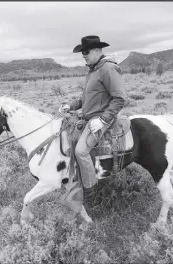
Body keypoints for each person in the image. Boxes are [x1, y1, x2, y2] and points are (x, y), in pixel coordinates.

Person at [59, 35, 127, 203]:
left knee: (81, 151)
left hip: (101, 118)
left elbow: (120, 98)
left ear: (97, 50)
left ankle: (91, 190)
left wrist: (103, 120)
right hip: (90, 116)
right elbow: (86, 99)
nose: (84, 55)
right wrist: (71, 106)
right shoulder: (93, 70)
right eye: (82, 52)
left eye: (86, 52)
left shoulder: (108, 69)